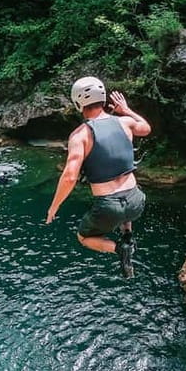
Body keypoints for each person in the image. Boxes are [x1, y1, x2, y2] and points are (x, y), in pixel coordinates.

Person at [46, 76, 151, 278]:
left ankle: (120, 249)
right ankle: (127, 234)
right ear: (103, 99)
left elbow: (69, 177)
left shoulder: (80, 135)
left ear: (78, 103)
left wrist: (54, 207)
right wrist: (126, 109)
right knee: (126, 211)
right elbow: (146, 128)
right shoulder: (125, 123)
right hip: (137, 201)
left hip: (109, 206)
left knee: (84, 237)